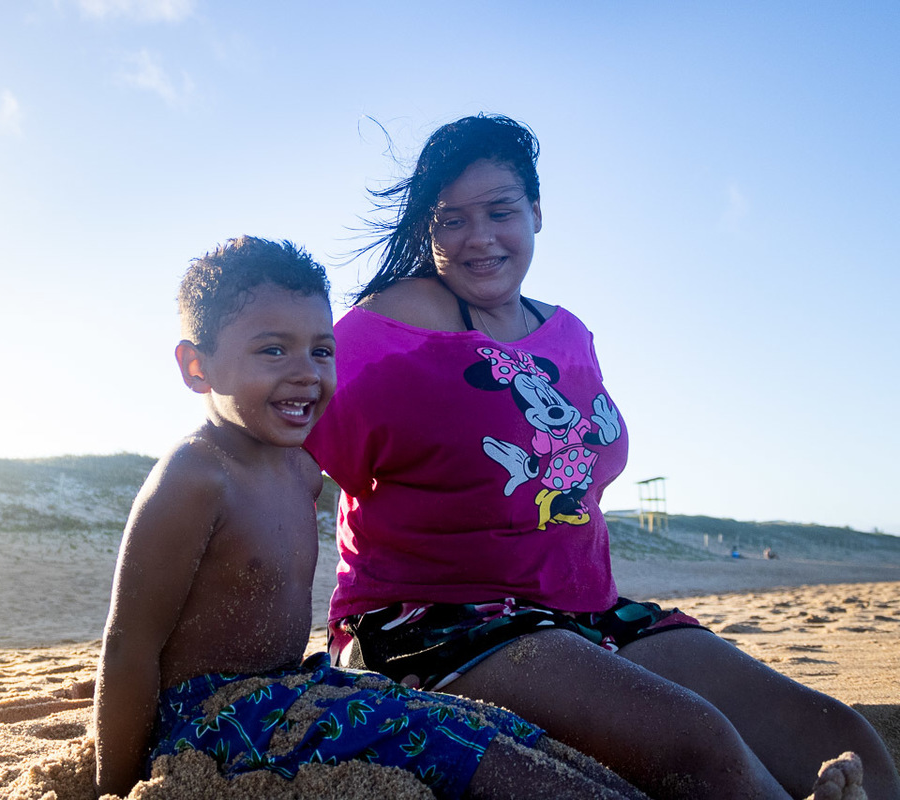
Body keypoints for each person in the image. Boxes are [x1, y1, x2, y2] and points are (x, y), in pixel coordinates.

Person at [305, 114, 894, 800]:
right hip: (435, 623)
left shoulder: (568, 333)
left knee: (839, 737)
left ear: (536, 212)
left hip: (586, 612)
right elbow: (286, 466)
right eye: (452, 221)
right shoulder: (384, 334)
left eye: (500, 212)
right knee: (696, 743)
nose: (479, 237)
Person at [92, 235, 662, 800]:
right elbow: (127, 647)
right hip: (210, 718)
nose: (306, 373)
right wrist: (112, 789)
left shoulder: (298, 470)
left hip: (295, 690)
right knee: (467, 755)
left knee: (496, 729)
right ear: (197, 366)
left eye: (321, 351)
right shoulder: (196, 477)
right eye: (273, 351)